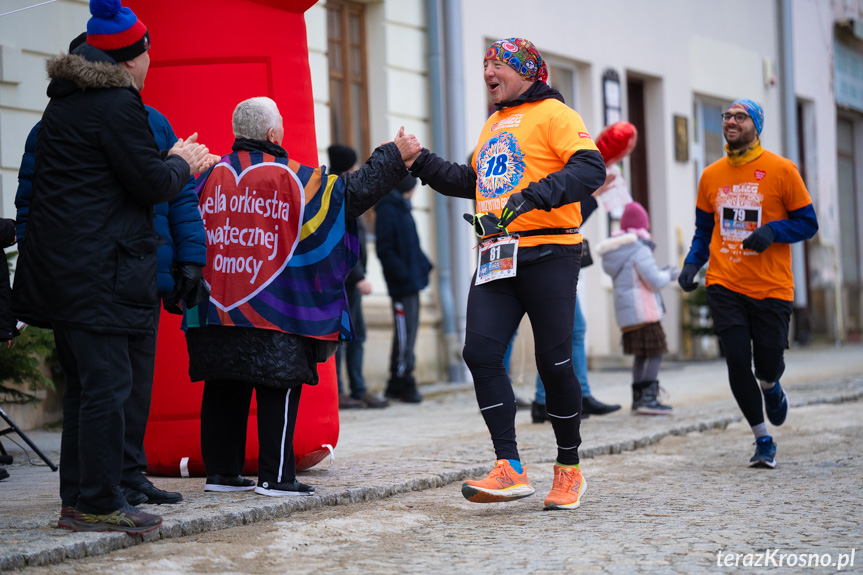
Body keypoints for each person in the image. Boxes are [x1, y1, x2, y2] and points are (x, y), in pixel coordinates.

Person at [11, 0, 212, 534]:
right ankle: (100, 501)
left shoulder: (67, 105)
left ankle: (78, 502)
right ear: (129, 59)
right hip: (102, 274)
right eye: (148, 51)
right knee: (107, 389)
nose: (151, 61)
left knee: (85, 390)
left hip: (69, 275)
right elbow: (151, 184)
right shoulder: (117, 107)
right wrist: (183, 162)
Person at [406, 38, 606, 510]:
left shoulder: (558, 115)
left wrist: (535, 195)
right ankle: (509, 467)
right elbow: (472, 181)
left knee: (554, 362)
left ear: (527, 71)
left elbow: (590, 168)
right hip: (497, 253)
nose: (488, 71)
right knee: (479, 351)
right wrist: (420, 162)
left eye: (497, 63)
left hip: (550, 251)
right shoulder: (494, 122)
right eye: (485, 64)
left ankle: (568, 469)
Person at [187, 97, 420, 497]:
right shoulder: (290, 177)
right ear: (273, 134)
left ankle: (222, 475)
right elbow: (351, 193)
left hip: (214, 308)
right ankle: (276, 478)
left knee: (222, 383)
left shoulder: (207, 176)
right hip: (275, 310)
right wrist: (393, 157)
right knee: (279, 384)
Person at [679, 99, 818, 468]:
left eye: (740, 117)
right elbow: (704, 229)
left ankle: (772, 387)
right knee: (738, 359)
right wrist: (693, 263)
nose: (731, 122)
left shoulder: (782, 170)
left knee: (766, 366)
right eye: (726, 116)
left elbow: (808, 223)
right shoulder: (711, 175)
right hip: (726, 282)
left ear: (756, 124)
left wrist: (773, 230)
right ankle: (763, 439)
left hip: (772, 287)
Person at [597, 201, 677, 415]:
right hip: (644, 311)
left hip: (627, 313)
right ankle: (648, 399)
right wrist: (669, 275)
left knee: (642, 355)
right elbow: (654, 281)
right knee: (656, 352)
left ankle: (638, 399)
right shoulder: (639, 249)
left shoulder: (617, 251)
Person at [328, 144, 388, 409]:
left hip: (348, 279)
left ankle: (357, 388)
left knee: (356, 336)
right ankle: (341, 392)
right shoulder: (339, 192)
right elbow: (343, 240)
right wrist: (359, 276)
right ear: (347, 166)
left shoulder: (338, 188)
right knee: (343, 338)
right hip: (344, 280)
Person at [375, 175, 432, 404]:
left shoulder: (403, 209)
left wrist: (424, 266)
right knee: (404, 333)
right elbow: (386, 250)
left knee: (408, 333)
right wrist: (405, 274)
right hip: (402, 285)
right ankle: (402, 380)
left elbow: (413, 246)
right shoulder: (389, 211)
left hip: (412, 282)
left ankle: (398, 381)